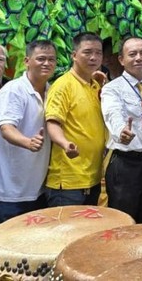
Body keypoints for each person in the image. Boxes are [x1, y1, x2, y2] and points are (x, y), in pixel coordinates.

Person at [0, 40, 56, 228]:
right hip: (9, 192)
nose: (46, 63)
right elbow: (6, 128)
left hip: (38, 190)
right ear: (27, 61)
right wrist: (27, 142)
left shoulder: (52, 91)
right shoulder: (13, 90)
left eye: (51, 59)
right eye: (41, 59)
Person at [102, 36, 142, 223]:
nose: (138, 58)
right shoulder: (113, 89)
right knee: (123, 220)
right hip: (126, 164)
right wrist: (121, 132)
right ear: (121, 59)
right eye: (132, 54)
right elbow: (112, 113)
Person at [45, 32, 107, 206]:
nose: (94, 57)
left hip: (92, 178)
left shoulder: (95, 85)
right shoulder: (63, 85)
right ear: (74, 55)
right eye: (87, 52)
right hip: (68, 182)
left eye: (98, 53)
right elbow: (53, 122)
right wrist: (64, 144)